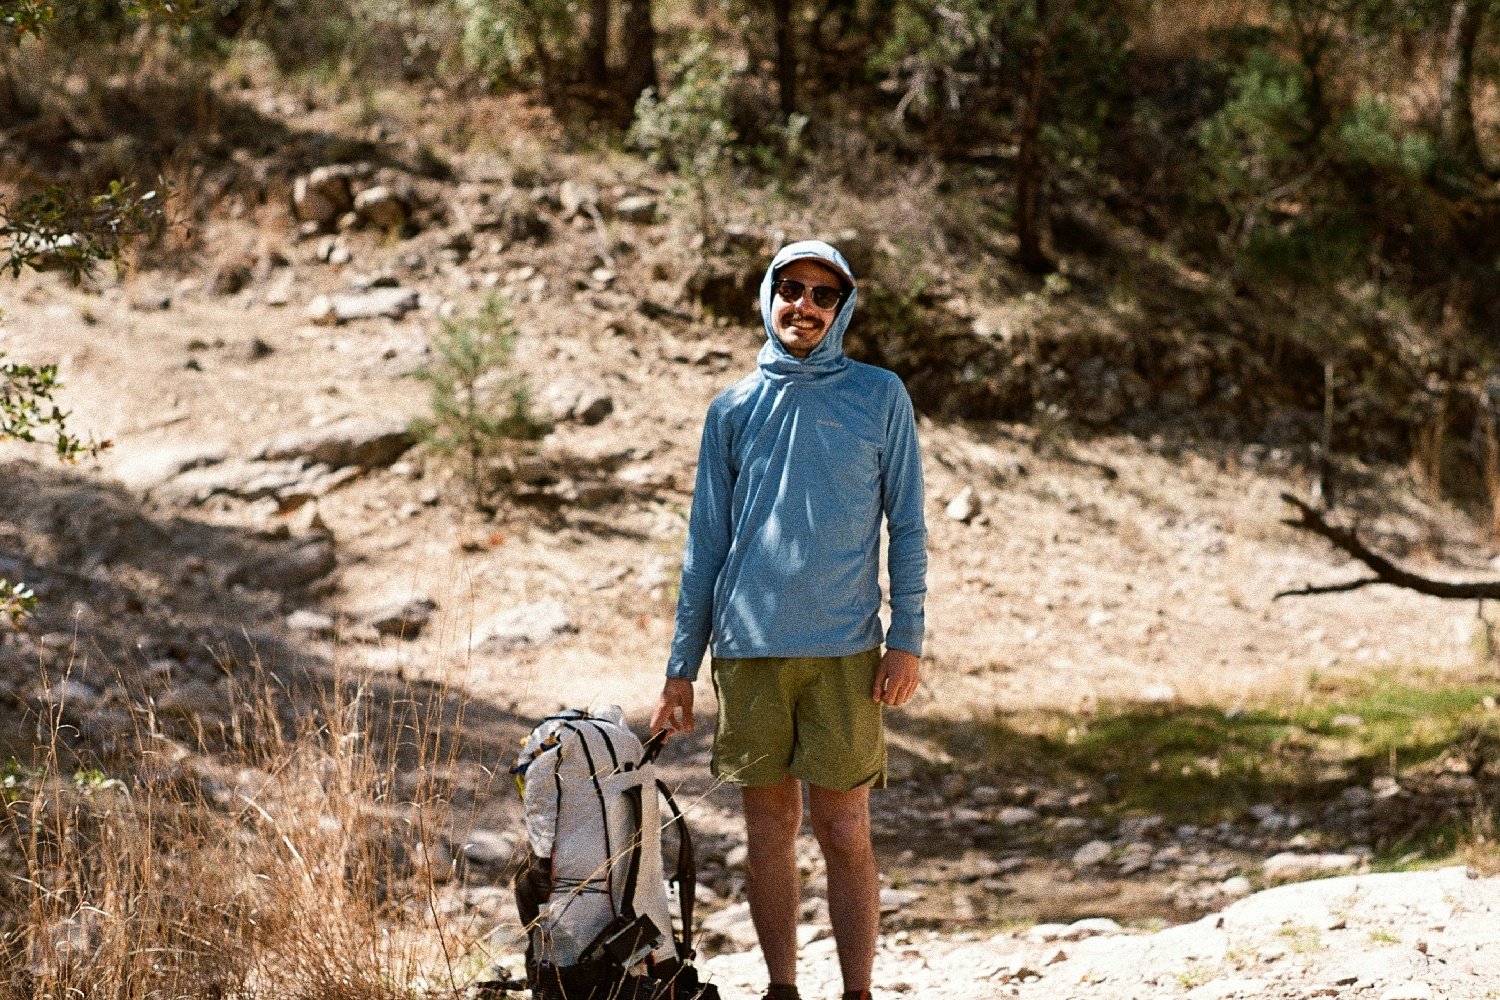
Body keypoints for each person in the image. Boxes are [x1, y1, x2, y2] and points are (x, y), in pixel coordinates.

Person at [649, 240, 928, 1000]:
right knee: (768, 833)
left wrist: (906, 638)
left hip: (847, 652)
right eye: (791, 288)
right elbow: (705, 543)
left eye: (822, 295)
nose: (804, 305)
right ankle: (780, 991)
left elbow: (907, 524)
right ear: (769, 296)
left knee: (844, 831)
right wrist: (681, 669)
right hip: (748, 652)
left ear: (843, 310)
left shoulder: (879, 396)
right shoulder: (734, 407)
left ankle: (858, 992)